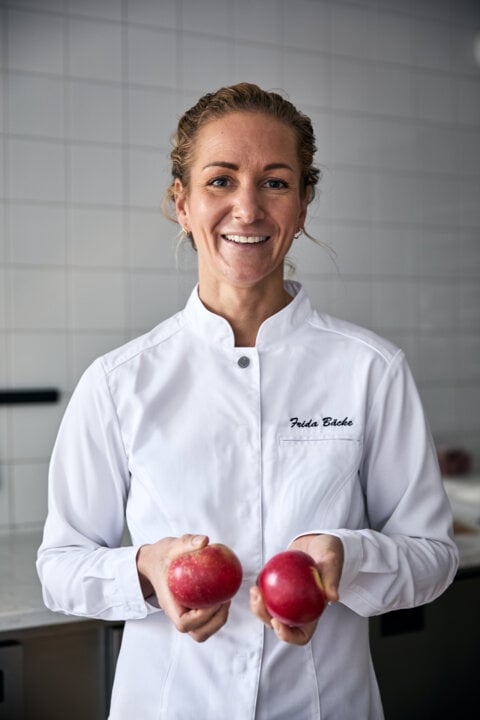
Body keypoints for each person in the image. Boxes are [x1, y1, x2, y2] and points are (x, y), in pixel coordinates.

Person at [37, 83, 458, 720]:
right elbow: (60, 568)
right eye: (220, 180)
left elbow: (433, 556)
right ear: (181, 202)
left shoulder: (370, 370)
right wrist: (147, 570)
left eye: (276, 182)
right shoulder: (120, 381)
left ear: (305, 202)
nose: (247, 208)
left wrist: (353, 554)